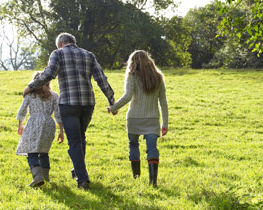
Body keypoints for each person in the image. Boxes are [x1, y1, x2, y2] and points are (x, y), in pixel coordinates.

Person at [23, 33, 115, 190]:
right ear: (73, 42)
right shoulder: (89, 55)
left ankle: (82, 179)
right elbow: (101, 78)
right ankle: (77, 170)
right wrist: (111, 100)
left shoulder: (58, 53)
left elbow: (49, 73)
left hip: (69, 103)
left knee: (75, 141)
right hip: (87, 103)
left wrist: (31, 86)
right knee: (80, 137)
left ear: (60, 44)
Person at [108, 50, 168, 188]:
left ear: (132, 61)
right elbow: (163, 102)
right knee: (152, 148)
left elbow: (128, 96)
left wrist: (113, 107)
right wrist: (165, 123)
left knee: (133, 145)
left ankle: (136, 178)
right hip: (152, 119)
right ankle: (153, 181)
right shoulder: (158, 77)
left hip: (134, 117)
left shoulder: (132, 76)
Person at [17, 71, 64, 188]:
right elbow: (58, 115)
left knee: (31, 151)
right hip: (49, 124)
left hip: (34, 123)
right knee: (44, 151)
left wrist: (20, 125)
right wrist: (61, 131)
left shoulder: (30, 95)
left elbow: (22, 111)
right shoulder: (54, 96)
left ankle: (38, 177)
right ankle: (45, 177)